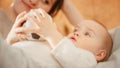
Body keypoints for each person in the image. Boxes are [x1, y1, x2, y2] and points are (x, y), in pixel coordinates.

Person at [5, 8, 112, 68]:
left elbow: (75, 62)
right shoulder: (56, 42)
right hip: (12, 55)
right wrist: (11, 40)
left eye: (87, 34)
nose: (77, 33)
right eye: (76, 30)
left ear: (99, 54)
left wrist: (51, 33)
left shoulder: (88, 60)